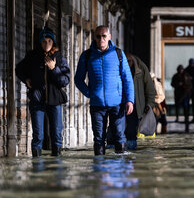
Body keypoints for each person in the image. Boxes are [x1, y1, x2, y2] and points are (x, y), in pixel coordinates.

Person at [74, 25, 134, 155]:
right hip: (97, 105)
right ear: (94, 37)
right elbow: (78, 79)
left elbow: (127, 79)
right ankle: (99, 170)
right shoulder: (87, 55)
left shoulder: (119, 54)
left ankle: (119, 170)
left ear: (109, 37)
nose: (101, 39)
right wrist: (89, 93)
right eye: (98, 36)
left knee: (119, 136)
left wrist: (130, 100)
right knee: (99, 139)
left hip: (117, 103)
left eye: (104, 36)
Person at [16, 27, 70, 157]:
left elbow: (65, 81)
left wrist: (54, 68)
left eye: (49, 41)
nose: (47, 44)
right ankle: (37, 168)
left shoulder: (59, 57)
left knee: (56, 135)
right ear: (40, 42)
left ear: (53, 42)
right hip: (37, 100)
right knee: (37, 135)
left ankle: (56, 167)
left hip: (55, 100)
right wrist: (26, 79)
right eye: (44, 41)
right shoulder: (32, 56)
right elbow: (18, 69)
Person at [122, 53, 155, 150]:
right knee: (116, 129)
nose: (127, 64)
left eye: (129, 62)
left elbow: (149, 88)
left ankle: (130, 149)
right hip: (120, 104)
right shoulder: (119, 66)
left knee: (131, 130)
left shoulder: (141, 68)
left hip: (136, 105)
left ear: (132, 60)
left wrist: (149, 104)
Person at [171, 64, 192, 131]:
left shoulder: (186, 75)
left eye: (181, 69)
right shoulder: (175, 76)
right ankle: (177, 117)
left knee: (186, 107)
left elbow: (189, 85)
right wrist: (178, 84)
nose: (180, 70)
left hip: (185, 94)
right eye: (179, 69)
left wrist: (184, 85)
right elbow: (172, 83)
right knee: (177, 106)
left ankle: (186, 119)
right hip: (178, 94)